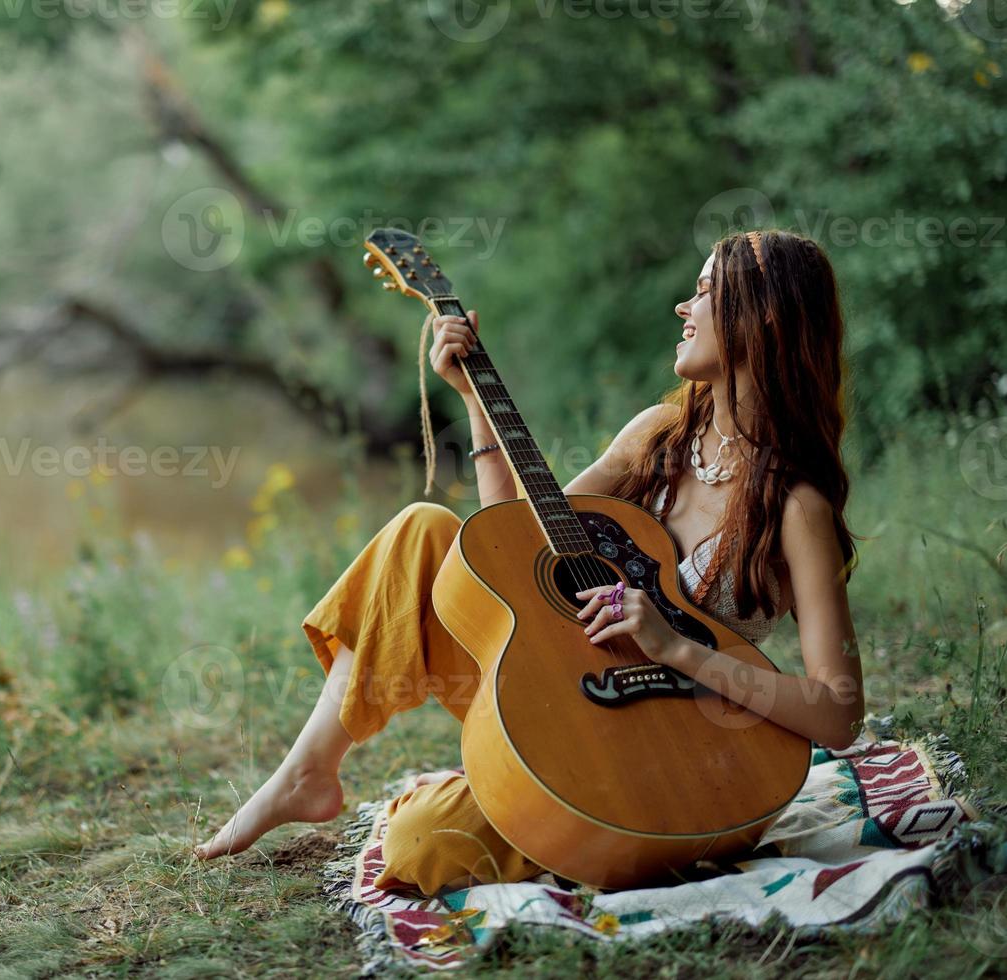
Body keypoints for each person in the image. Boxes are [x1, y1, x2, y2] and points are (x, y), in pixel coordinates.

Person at [193, 229, 865, 896]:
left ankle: (556, 810)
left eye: (702, 292)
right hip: (575, 698)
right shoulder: (656, 437)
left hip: (693, 764)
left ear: (762, 317)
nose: (683, 310)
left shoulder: (794, 507)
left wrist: (674, 649)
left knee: (420, 843)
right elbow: (516, 550)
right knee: (422, 529)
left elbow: (838, 714)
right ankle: (308, 774)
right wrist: (473, 401)